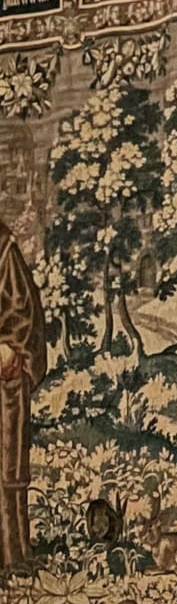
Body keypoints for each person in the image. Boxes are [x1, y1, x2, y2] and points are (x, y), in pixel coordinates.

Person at [0, 218, 46, 573]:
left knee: (6, 472)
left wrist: (9, 350)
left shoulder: (3, 250)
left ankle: (11, 556)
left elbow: (22, 317)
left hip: (2, 385)